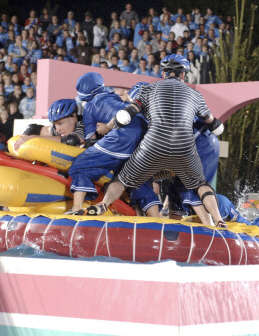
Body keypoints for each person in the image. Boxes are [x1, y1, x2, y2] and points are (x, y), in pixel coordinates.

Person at [86, 55, 226, 227]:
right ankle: (219, 220)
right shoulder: (195, 95)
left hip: (152, 148)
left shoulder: (148, 90)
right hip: (185, 151)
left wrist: (107, 127)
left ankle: (103, 204)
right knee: (201, 184)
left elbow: (125, 115)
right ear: (183, 76)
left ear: (163, 74)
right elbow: (215, 125)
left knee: (121, 180)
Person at [66, 74, 160, 217]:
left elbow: (91, 139)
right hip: (146, 139)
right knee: (139, 181)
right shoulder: (115, 97)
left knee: (80, 166)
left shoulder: (90, 106)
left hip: (121, 137)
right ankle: (157, 220)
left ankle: (77, 208)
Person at [14, 98, 84, 150]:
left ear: (74, 119)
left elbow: (72, 140)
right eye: (55, 124)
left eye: (60, 124)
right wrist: (24, 138)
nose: (57, 130)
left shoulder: (84, 124)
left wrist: (35, 138)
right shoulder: (59, 129)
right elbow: (33, 128)